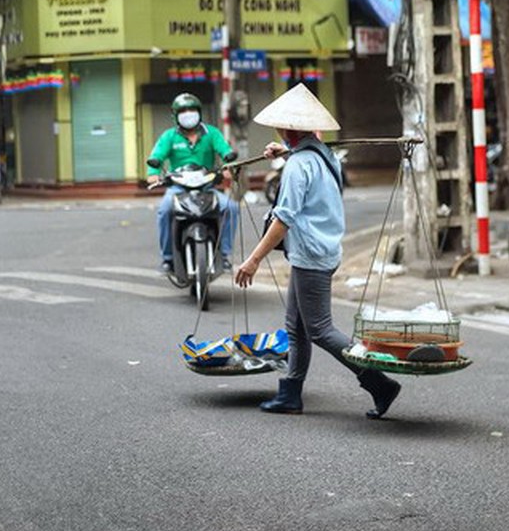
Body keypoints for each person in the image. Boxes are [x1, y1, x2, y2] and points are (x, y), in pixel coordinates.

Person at [234, 83, 401, 419]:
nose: (279, 131)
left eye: (282, 128)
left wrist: (253, 261)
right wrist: (285, 151)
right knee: (296, 327)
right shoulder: (322, 155)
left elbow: (283, 220)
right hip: (319, 249)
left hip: (311, 254)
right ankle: (290, 394)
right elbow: (306, 155)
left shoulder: (298, 165)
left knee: (321, 329)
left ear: (289, 129)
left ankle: (379, 382)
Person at [147, 93, 238, 274]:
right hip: (178, 187)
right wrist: (154, 174)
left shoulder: (212, 133)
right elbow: (156, 158)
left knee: (231, 207)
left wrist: (228, 165)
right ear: (175, 115)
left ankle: (225, 254)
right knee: (164, 210)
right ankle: (167, 259)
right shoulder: (169, 137)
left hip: (207, 186)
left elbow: (225, 151)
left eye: (192, 110)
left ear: (199, 113)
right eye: (183, 111)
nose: (188, 114)